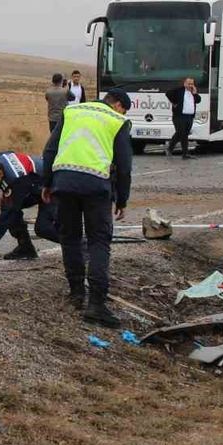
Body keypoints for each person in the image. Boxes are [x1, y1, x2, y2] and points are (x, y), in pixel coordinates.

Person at [41, 90, 133, 327]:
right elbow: (124, 166)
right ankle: (96, 304)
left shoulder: (71, 111)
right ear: (119, 105)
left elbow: (50, 149)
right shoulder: (117, 120)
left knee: (69, 237)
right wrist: (122, 200)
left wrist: (48, 182)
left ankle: (76, 293)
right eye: (125, 109)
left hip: (64, 181)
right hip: (96, 185)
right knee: (98, 241)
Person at [0, 151, 44, 262]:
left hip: (51, 186)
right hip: (34, 183)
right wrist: (5, 192)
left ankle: (79, 246)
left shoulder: (16, 179)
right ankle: (25, 247)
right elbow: (9, 153)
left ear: (0, 173)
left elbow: (8, 214)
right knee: (7, 204)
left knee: (44, 228)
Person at [164, 77, 201, 159]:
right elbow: (168, 93)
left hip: (189, 116)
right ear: (185, 83)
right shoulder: (179, 90)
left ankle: (172, 148)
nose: (190, 85)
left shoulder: (193, 92)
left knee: (182, 134)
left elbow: (198, 100)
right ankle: (183, 153)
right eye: (189, 83)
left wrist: (195, 93)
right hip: (179, 116)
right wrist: (174, 103)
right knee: (182, 133)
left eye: (192, 84)